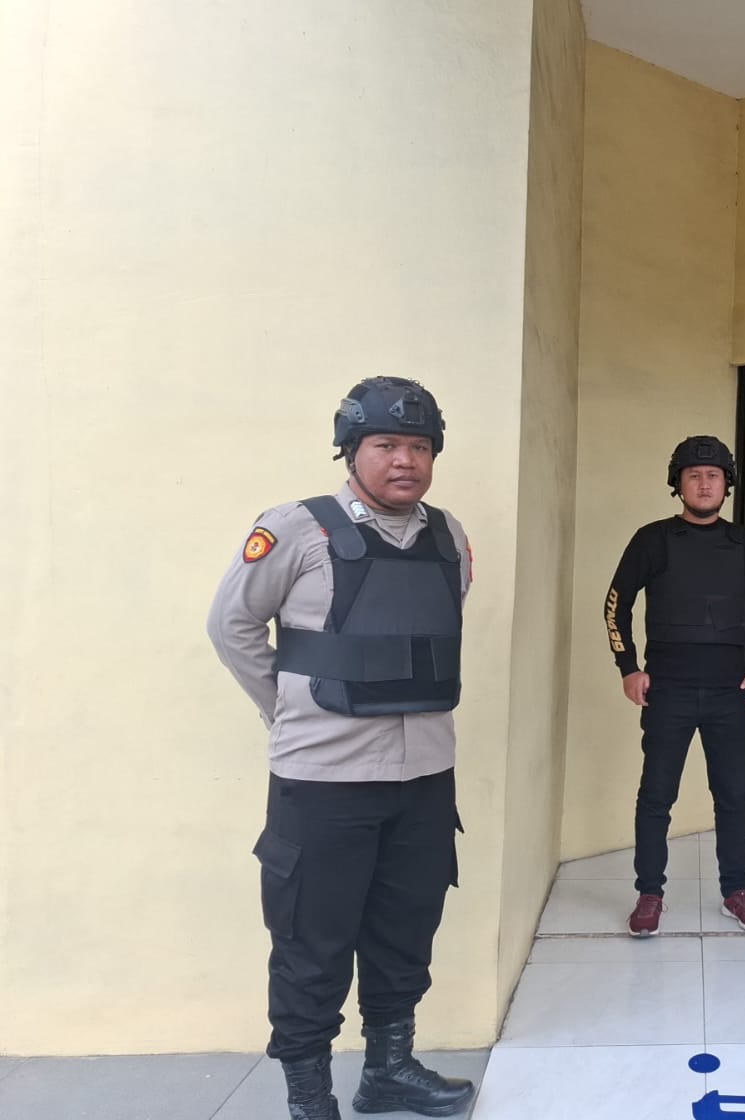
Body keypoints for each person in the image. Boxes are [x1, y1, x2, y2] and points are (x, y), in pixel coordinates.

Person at [208, 376, 475, 1120]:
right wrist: (290, 713)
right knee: (311, 943)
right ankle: (310, 1098)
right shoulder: (297, 528)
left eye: (419, 446)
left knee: (406, 930)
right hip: (325, 780)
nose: (405, 460)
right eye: (386, 444)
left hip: (425, 773)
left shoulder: (449, 535)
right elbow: (231, 626)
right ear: (351, 451)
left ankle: (389, 1072)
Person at [605, 435, 745, 937]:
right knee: (657, 795)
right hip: (669, 690)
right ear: (678, 483)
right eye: (694, 475)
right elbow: (616, 603)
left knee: (732, 796)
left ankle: (736, 890)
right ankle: (649, 894)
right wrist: (628, 667)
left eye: (713, 476)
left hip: (730, 691)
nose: (704, 484)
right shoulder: (652, 539)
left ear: (727, 484)